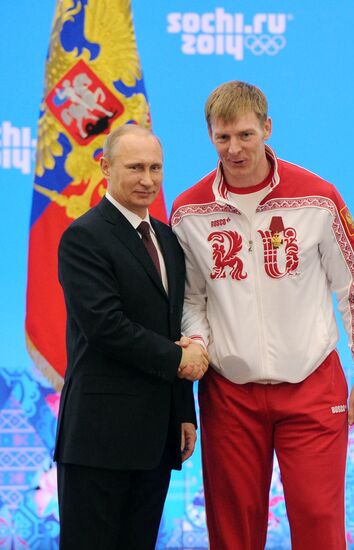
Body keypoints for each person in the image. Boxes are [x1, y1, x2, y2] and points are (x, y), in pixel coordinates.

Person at [171, 81, 354, 550]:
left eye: (245, 135)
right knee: (233, 529)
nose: (235, 148)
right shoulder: (188, 211)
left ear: (267, 128)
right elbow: (190, 299)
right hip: (229, 392)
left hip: (311, 386)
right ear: (209, 136)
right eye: (223, 137)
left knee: (318, 520)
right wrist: (199, 343)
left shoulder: (318, 198)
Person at [54, 124, 208, 550]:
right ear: (104, 167)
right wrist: (180, 361)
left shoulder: (168, 239)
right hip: (98, 440)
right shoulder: (84, 236)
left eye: (156, 168)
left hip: (155, 439)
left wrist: (183, 411)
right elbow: (106, 326)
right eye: (135, 167)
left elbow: (172, 326)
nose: (148, 179)